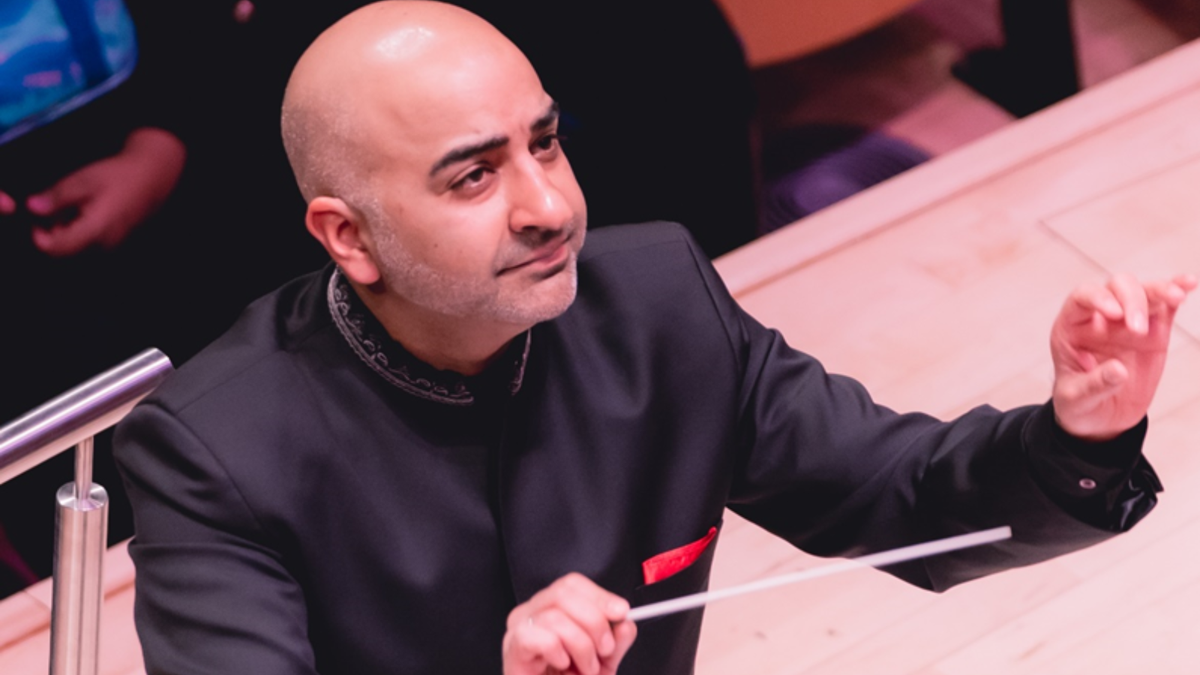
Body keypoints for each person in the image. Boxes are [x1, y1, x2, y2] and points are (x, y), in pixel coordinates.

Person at [113, 3, 1194, 674]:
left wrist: (1078, 434)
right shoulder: (211, 454)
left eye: (545, 143)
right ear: (349, 237)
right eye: (475, 175)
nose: (550, 207)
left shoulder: (656, 299)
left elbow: (899, 497)